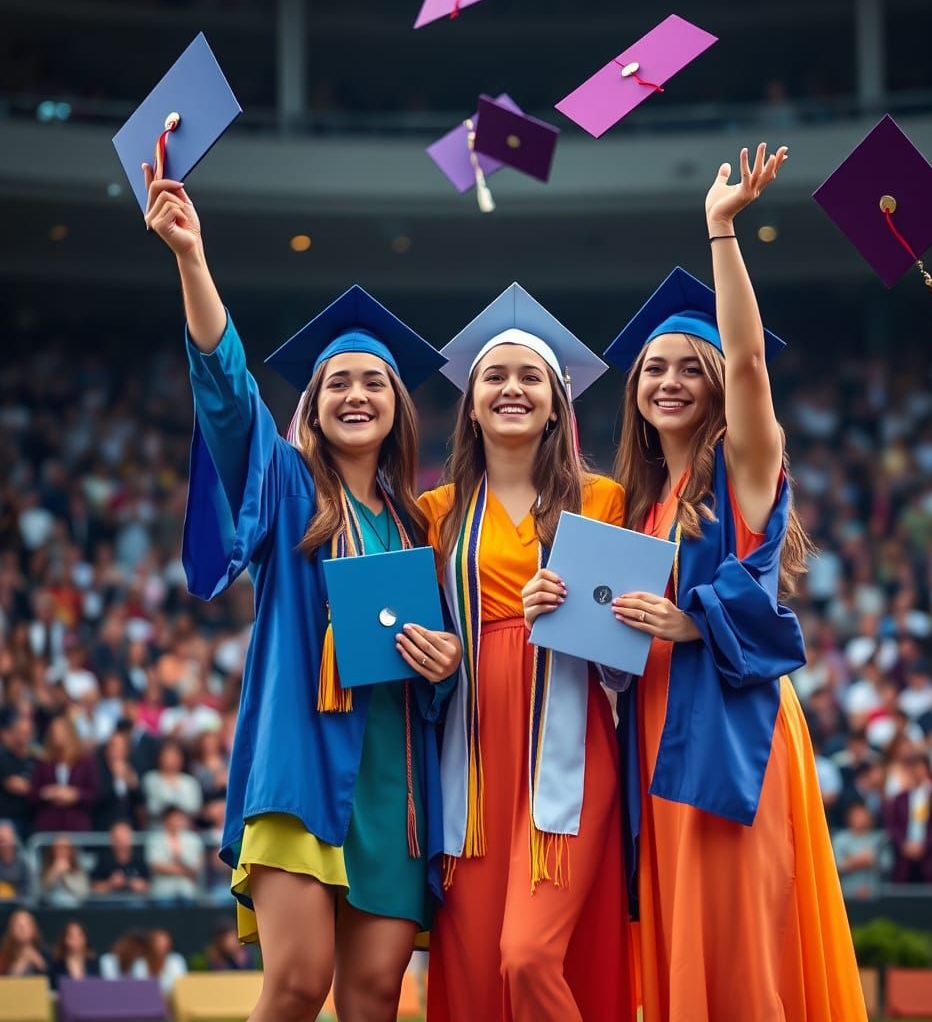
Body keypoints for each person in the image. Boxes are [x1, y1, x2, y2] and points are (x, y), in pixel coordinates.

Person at [144, 167, 459, 1022]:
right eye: (337, 384)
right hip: (302, 766)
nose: (356, 396)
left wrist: (445, 662)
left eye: (374, 383)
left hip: (395, 787)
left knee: (374, 999)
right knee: (294, 986)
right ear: (312, 407)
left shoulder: (423, 525)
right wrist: (192, 259)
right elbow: (227, 394)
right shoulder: (287, 490)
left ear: (398, 406)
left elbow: (443, 662)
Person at [604, 145, 866, 1021]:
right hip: (655, 729)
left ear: (717, 382)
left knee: (739, 944)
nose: (669, 381)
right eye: (654, 368)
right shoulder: (641, 506)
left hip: (729, 727)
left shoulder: (740, 474)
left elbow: (752, 365)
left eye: (691, 365)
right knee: (680, 938)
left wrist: (721, 230)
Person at [419, 286, 632, 1021]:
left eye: (530, 377)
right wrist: (436, 652)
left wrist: (574, 612)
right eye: (495, 377)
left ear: (557, 405)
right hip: (471, 761)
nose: (512, 388)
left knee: (529, 955)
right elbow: (411, 641)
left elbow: (620, 662)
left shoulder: (602, 502)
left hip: (567, 750)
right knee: (479, 969)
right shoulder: (435, 513)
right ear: (471, 406)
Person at [884, 749, 932, 883]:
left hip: (931, 859)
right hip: (905, 861)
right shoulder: (900, 799)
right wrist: (904, 844)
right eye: (912, 767)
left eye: (919, 767)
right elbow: (892, 826)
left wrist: (924, 845)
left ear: (927, 769)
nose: (916, 771)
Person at [29, 715, 97, 833]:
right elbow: (33, 795)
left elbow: (94, 794)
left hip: (76, 826)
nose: (56, 735)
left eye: (60, 731)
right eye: (54, 731)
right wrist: (48, 793)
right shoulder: (44, 763)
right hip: (49, 826)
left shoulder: (85, 762)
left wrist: (75, 795)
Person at [91, 820, 150, 900]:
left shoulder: (139, 857)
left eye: (125, 836)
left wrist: (138, 885)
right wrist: (110, 883)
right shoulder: (104, 859)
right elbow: (94, 887)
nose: (122, 842)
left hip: (135, 901)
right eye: (118, 838)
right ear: (112, 839)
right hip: (111, 901)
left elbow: (149, 885)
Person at [40, 835, 90, 906]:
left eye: (65, 848)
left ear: (71, 851)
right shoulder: (45, 867)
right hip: (50, 907)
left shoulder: (78, 869)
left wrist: (66, 875)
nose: (62, 851)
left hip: (74, 907)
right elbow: (41, 892)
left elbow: (83, 894)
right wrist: (54, 872)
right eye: (58, 848)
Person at [48, 921, 100, 987]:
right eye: (71, 936)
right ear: (64, 939)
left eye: (80, 935)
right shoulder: (56, 965)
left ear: (86, 938)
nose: (76, 940)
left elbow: (98, 985)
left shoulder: (94, 963)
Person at [0, 908, 50, 977]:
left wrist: (41, 965)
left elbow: (54, 980)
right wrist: (21, 964)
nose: (22, 929)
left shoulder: (46, 955)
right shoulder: (3, 957)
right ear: (11, 930)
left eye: (26, 925)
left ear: (34, 929)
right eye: (18, 925)